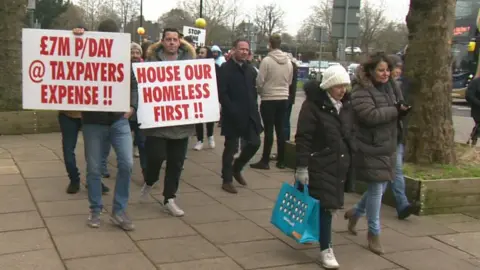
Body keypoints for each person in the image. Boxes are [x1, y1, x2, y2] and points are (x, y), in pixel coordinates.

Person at [344, 52, 410, 255]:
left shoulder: (392, 86)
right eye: (381, 70)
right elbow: (370, 115)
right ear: (370, 71)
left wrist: (403, 109)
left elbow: (398, 106)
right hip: (370, 145)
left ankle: (356, 212)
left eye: (387, 70)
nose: (385, 73)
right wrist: (395, 111)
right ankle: (374, 233)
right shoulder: (361, 90)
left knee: (380, 186)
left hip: (390, 142)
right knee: (376, 188)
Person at [76, 19, 138, 231]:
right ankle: (95, 209)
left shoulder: (123, 59)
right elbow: (68, 59)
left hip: (118, 120)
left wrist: (132, 105)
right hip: (93, 122)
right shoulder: (85, 55)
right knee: (93, 169)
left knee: (127, 164)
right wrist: (77, 34)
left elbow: (132, 84)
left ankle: (119, 210)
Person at [295, 66, 354, 269]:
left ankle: (314, 234)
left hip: (339, 163)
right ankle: (326, 249)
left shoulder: (345, 106)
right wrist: (302, 166)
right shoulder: (312, 107)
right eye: (338, 86)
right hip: (319, 163)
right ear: (328, 86)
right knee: (327, 207)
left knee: (326, 205)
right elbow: (304, 137)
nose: (342, 90)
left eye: (345, 85)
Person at [139, 28, 196, 216]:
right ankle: (150, 180)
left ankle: (169, 198)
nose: (172, 42)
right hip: (158, 123)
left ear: (179, 42)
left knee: (176, 162)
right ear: (162, 42)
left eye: (175, 39)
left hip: (181, 123)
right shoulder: (151, 62)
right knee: (155, 157)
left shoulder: (190, 62)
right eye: (168, 39)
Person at [219, 38, 263, 194]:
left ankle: (237, 168)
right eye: (241, 49)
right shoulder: (225, 68)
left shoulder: (250, 69)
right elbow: (222, 93)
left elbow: (253, 92)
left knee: (255, 143)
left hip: (250, 114)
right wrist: (231, 109)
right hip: (233, 115)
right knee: (230, 148)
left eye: (246, 49)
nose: (244, 52)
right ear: (234, 50)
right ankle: (227, 179)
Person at [250, 34, 293, 170]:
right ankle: (281, 160)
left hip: (269, 98)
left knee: (269, 130)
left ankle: (265, 160)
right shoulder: (288, 61)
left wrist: (261, 92)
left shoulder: (267, 61)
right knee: (280, 129)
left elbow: (260, 80)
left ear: (270, 44)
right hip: (283, 97)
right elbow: (290, 81)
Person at [387, 54, 413, 219]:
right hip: (383, 137)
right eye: (394, 68)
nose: (397, 71)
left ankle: (403, 204)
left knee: (393, 172)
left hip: (396, 134)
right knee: (390, 173)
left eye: (399, 68)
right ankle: (402, 203)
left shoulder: (403, 86)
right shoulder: (381, 87)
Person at [193, 46, 219, 151]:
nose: (200, 54)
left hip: (209, 96)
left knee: (209, 119)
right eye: (199, 52)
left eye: (202, 53)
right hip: (197, 95)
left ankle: (210, 136)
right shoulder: (193, 66)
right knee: (198, 119)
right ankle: (200, 140)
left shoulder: (215, 67)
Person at [129, 42, 147, 175]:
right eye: (132, 52)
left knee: (142, 143)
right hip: (123, 111)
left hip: (140, 112)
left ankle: (146, 173)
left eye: (137, 53)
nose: (135, 55)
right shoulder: (121, 67)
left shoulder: (146, 69)